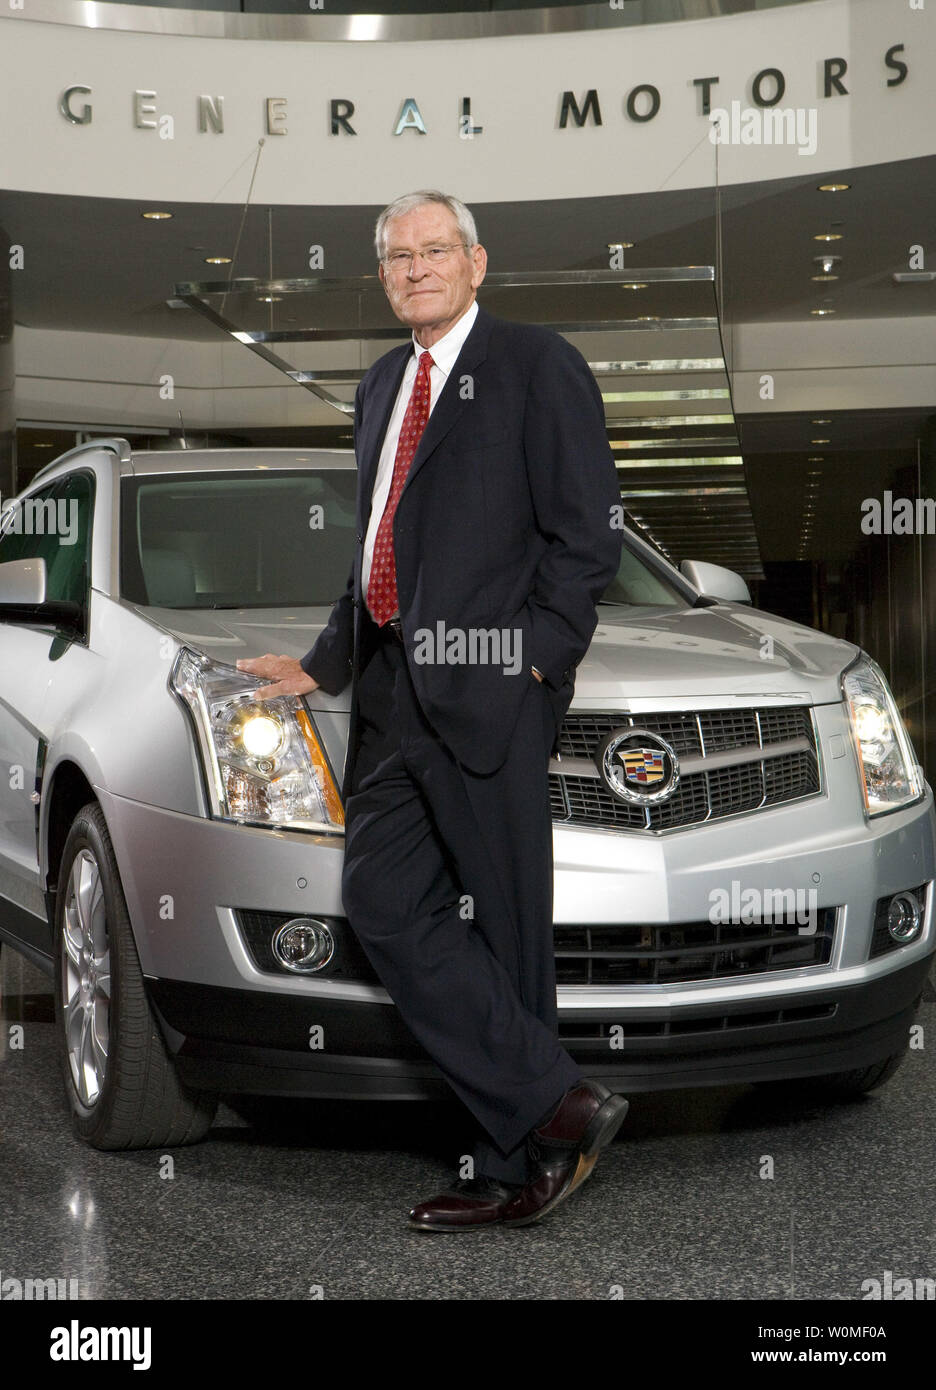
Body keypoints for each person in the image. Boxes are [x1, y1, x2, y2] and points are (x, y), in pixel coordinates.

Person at [237, 189, 628, 1232]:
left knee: (504, 937)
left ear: (476, 261)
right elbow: (378, 550)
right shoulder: (378, 387)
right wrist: (327, 661)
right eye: (398, 256)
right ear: (383, 276)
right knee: (383, 905)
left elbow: (588, 540)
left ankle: (511, 1170)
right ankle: (559, 1100)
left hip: (491, 691)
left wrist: (534, 666)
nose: (416, 267)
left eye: (435, 249)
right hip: (391, 696)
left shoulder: (537, 366)